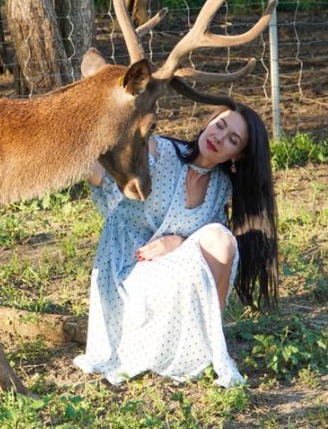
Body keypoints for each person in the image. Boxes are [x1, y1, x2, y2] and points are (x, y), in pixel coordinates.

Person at [74, 104, 278, 387]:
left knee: (222, 241)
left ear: (238, 155)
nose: (219, 138)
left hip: (171, 275)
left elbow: (211, 253)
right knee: (205, 252)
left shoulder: (220, 187)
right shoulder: (159, 152)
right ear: (210, 121)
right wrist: (77, 142)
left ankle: (210, 348)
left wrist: (178, 242)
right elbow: (105, 177)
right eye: (219, 126)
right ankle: (154, 348)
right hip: (129, 268)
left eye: (232, 139)